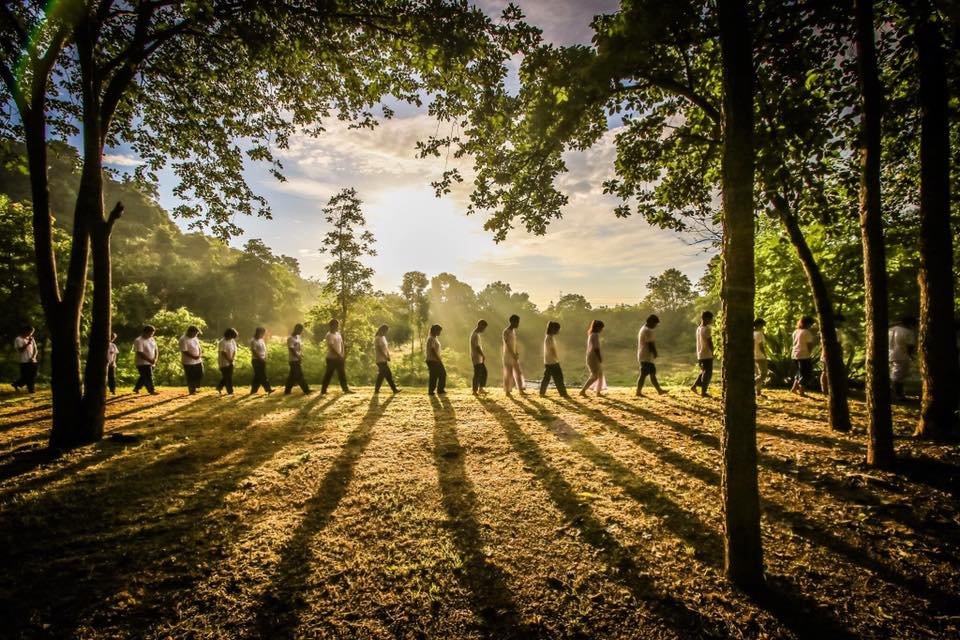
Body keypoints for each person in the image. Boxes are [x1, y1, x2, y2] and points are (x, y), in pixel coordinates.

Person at [636, 314, 666, 397]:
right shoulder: (648, 330)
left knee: (652, 373)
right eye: (655, 324)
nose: (655, 326)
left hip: (644, 355)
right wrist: (655, 352)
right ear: (651, 322)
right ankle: (638, 392)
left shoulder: (643, 328)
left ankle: (659, 390)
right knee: (643, 374)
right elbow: (650, 344)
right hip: (646, 356)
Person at [889, 315, 917, 400]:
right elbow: (910, 345)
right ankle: (897, 395)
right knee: (899, 376)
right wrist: (911, 355)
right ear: (910, 324)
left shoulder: (891, 329)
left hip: (890, 354)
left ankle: (896, 393)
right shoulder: (908, 332)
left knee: (895, 374)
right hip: (902, 355)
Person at [320, 319, 350, 394]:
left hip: (339, 358)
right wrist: (339, 355)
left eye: (337, 325)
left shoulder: (338, 334)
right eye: (336, 325)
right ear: (331, 326)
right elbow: (331, 347)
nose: (337, 327)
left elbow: (342, 344)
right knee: (328, 374)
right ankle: (323, 390)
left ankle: (345, 389)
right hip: (331, 359)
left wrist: (342, 353)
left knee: (342, 374)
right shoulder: (329, 335)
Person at [790, 315, 817, 396]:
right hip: (803, 355)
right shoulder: (807, 332)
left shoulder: (796, 331)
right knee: (805, 373)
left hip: (795, 354)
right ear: (808, 324)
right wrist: (809, 353)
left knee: (799, 372)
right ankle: (801, 391)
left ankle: (794, 388)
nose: (811, 326)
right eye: (811, 324)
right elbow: (809, 345)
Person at [541, 321, 569, 397]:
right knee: (559, 377)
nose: (558, 331)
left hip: (548, 361)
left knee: (547, 377)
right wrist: (557, 359)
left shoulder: (549, 337)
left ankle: (542, 392)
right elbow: (552, 350)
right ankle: (563, 393)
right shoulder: (549, 338)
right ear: (553, 329)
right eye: (557, 329)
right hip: (552, 361)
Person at [820, 313, 845, 396]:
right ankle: (825, 390)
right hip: (830, 352)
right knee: (826, 371)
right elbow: (838, 343)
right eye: (841, 322)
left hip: (830, 352)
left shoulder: (829, 330)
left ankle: (827, 390)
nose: (842, 324)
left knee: (827, 371)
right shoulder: (834, 331)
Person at [691, 311, 714, 397]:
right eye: (711, 319)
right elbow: (709, 342)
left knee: (704, 371)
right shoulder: (707, 329)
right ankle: (703, 392)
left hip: (700, 353)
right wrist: (713, 351)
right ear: (706, 318)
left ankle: (694, 386)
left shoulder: (699, 328)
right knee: (708, 373)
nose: (711, 321)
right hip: (706, 353)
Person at [580, 320, 605, 397]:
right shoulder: (595, 335)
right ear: (597, 327)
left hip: (591, 357)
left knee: (600, 374)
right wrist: (599, 357)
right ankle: (583, 390)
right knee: (595, 376)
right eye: (601, 328)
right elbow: (596, 348)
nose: (602, 330)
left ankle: (598, 391)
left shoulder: (591, 334)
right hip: (593, 358)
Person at [285, 323, 311, 394]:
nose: (301, 332)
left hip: (298, 359)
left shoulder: (298, 337)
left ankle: (287, 391)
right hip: (293, 360)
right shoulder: (290, 338)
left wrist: (301, 354)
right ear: (296, 329)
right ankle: (306, 390)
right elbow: (292, 349)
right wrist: (297, 356)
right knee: (299, 375)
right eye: (300, 330)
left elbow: (299, 347)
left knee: (292, 377)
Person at [502, 314, 525, 395]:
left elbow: (513, 344)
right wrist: (513, 354)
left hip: (514, 354)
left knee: (518, 372)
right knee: (508, 373)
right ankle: (507, 391)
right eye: (517, 322)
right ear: (512, 322)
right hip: (508, 355)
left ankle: (521, 389)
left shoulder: (513, 331)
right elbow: (507, 344)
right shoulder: (506, 331)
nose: (518, 324)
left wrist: (516, 352)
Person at [132, 325, 158, 395]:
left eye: (152, 334)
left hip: (151, 361)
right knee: (148, 376)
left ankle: (136, 388)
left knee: (143, 377)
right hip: (142, 362)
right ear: (144, 332)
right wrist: (150, 360)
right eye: (149, 333)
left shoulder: (152, 339)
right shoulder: (138, 340)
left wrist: (155, 359)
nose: (151, 335)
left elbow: (156, 349)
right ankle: (151, 390)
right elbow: (140, 353)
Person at [374, 324, 399, 394]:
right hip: (380, 359)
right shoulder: (377, 338)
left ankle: (377, 390)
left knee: (381, 375)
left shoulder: (383, 338)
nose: (386, 332)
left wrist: (388, 355)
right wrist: (385, 356)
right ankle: (394, 389)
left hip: (384, 360)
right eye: (386, 331)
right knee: (388, 374)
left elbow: (386, 348)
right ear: (382, 330)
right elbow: (379, 349)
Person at [12, 325, 38, 393]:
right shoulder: (18, 339)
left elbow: (35, 349)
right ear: (25, 331)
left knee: (33, 375)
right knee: (27, 376)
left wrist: (33, 357)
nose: (31, 334)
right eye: (30, 332)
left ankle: (16, 384)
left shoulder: (31, 338)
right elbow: (20, 350)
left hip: (32, 360)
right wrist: (28, 343)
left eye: (32, 332)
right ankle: (31, 390)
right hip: (24, 361)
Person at [179, 325, 204, 394]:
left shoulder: (195, 338)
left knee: (200, 373)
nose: (195, 335)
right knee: (191, 376)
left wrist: (199, 354)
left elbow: (199, 347)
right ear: (190, 332)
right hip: (188, 362)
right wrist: (193, 357)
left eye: (196, 334)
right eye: (195, 333)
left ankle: (195, 387)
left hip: (198, 360)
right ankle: (192, 390)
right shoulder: (183, 339)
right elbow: (184, 351)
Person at [250, 327, 273, 395]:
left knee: (257, 376)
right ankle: (268, 389)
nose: (264, 335)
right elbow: (254, 351)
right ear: (259, 333)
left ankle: (253, 391)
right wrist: (260, 359)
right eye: (263, 333)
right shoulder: (253, 340)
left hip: (263, 360)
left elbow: (264, 350)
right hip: (256, 360)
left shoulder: (261, 340)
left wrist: (265, 358)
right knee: (262, 375)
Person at [426, 324, 446, 395]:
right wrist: (438, 358)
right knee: (438, 374)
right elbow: (432, 349)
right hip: (432, 360)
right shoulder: (431, 338)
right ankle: (435, 390)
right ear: (435, 331)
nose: (440, 333)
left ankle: (437, 390)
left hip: (434, 360)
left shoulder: (434, 338)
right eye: (439, 331)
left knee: (438, 375)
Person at [217, 328, 238, 395]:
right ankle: (230, 391)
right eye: (231, 336)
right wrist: (229, 359)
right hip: (223, 362)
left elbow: (234, 350)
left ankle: (219, 386)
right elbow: (223, 352)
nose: (232, 338)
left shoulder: (232, 341)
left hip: (231, 361)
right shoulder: (222, 342)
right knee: (227, 377)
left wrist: (232, 359)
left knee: (228, 376)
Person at [470, 320, 489, 395]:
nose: (484, 330)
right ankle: (475, 390)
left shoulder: (476, 334)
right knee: (477, 373)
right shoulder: (475, 335)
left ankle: (480, 388)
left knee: (483, 372)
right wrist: (482, 355)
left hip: (478, 357)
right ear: (480, 325)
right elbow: (477, 347)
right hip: (476, 357)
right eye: (484, 328)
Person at [753, 318, 767, 397]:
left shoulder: (752, 333)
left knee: (757, 374)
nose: (763, 327)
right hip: (760, 356)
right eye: (762, 325)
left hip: (754, 355)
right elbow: (761, 346)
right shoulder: (759, 334)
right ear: (759, 325)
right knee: (763, 374)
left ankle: (758, 392)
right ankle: (751, 385)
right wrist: (765, 355)